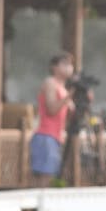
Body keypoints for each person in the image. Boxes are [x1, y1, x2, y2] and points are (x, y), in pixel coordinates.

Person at [30, 52, 75, 185]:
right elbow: (51, 110)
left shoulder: (64, 89)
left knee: (50, 178)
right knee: (44, 178)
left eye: (71, 65)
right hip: (45, 135)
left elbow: (71, 116)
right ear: (54, 67)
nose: (69, 68)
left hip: (56, 137)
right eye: (65, 64)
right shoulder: (50, 82)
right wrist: (69, 97)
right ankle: (40, 206)